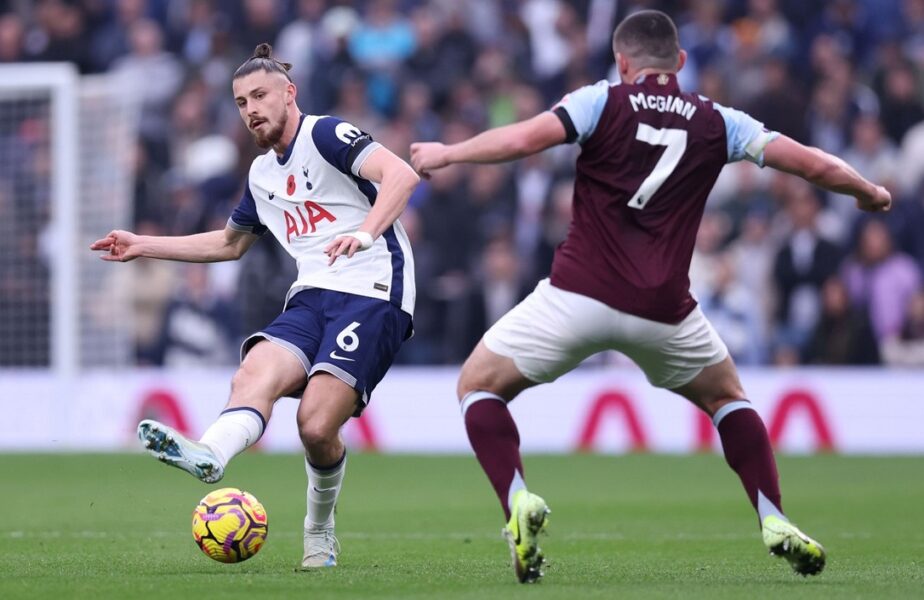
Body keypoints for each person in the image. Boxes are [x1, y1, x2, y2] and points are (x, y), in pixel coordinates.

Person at [410, 10, 891, 584]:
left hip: (577, 296)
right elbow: (809, 162)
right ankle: (773, 516)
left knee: (477, 385)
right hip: (664, 311)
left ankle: (516, 499)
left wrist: (449, 153)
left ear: (622, 61)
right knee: (729, 399)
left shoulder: (600, 101)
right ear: (680, 63)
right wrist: (866, 189)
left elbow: (522, 139)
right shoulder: (720, 120)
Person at [91, 43, 419, 569]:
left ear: (289, 93)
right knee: (254, 372)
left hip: (374, 289)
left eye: (260, 95)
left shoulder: (326, 134)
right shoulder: (262, 175)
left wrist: (363, 234)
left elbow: (401, 175)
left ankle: (319, 528)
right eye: (242, 102)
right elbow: (229, 243)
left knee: (315, 426)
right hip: (312, 294)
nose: (251, 109)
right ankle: (211, 455)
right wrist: (143, 245)